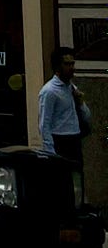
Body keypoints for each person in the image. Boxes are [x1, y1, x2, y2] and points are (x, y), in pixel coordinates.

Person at [38, 45, 93, 205]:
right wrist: (50, 151)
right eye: (67, 64)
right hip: (59, 141)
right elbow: (44, 123)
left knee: (77, 179)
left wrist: (80, 102)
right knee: (62, 183)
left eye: (72, 63)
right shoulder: (49, 91)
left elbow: (86, 116)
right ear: (57, 67)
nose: (71, 68)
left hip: (74, 139)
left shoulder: (71, 88)